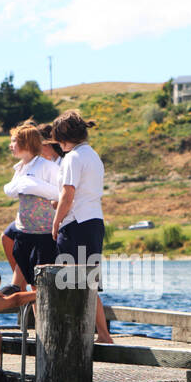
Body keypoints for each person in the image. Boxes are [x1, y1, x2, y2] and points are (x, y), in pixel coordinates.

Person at [50, 110, 113, 343]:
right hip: (94, 221)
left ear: (64, 137)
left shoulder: (72, 158)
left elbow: (68, 193)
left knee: (71, 281)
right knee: (89, 282)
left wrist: (56, 221)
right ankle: (103, 333)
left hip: (76, 223)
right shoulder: (93, 155)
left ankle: (77, 334)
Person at [3, 124, 62, 289]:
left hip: (44, 234)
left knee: (42, 285)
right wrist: (25, 183)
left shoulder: (47, 166)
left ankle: (43, 315)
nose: (11, 145)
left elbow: (61, 193)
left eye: (14, 141)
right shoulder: (20, 168)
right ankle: (34, 314)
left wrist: (33, 185)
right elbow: (11, 190)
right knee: (32, 284)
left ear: (26, 143)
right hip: (24, 232)